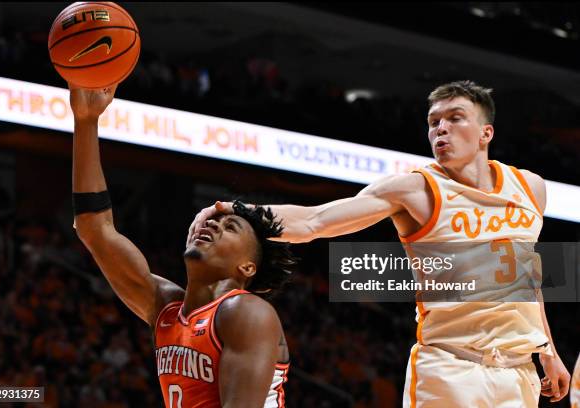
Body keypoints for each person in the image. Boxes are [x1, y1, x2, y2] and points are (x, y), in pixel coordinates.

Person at [189, 80, 571, 407]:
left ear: (486, 133)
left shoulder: (530, 188)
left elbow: (526, 278)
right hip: (453, 369)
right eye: (433, 122)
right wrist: (237, 209)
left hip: (519, 373)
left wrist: (548, 351)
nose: (441, 129)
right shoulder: (416, 190)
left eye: (455, 118)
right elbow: (314, 221)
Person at [69, 84, 296, 407]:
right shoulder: (165, 307)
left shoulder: (246, 311)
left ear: (247, 267)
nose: (214, 224)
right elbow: (95, 230)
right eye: (212, 221)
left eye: (230, 226)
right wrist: (86, 121)